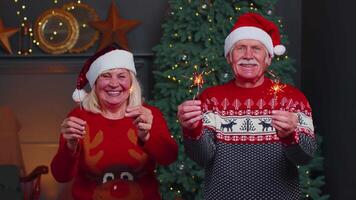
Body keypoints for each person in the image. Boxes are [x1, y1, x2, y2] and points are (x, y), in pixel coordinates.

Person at [177, 13, 317, 199]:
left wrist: (290, 136)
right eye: (240, 48)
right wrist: (192, 129)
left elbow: (305, 157)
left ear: (268, 58)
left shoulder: (292, 99)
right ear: (229, 57)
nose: (248, 56)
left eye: (256, 49)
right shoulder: (211, 98)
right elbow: (202, 157)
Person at [51, 45, 178, 200]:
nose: (113, 83)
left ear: (131, 82)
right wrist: (69, 147)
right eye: (106, 76)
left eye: (121, 76)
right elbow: (61, 176)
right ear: (95, 83)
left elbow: (169, 158)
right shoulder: (78, 117)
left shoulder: (147, 115)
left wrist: (147, 136)